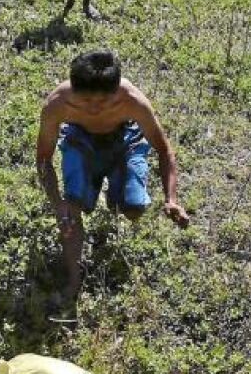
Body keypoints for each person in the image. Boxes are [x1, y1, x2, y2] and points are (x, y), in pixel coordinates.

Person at [35, 50, 189, 302]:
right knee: (70, 215)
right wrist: (57, 203)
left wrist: (171, 198)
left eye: (104, 101)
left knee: (134, 209)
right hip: (81, 141)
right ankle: (74, 278)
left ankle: (116, 195)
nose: (95, 108)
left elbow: (164, 150)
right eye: (86, 101)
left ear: (116, 90)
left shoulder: (133, 101)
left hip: (126, 141)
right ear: (74, 89)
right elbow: (43, 159)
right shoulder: (57, 105)